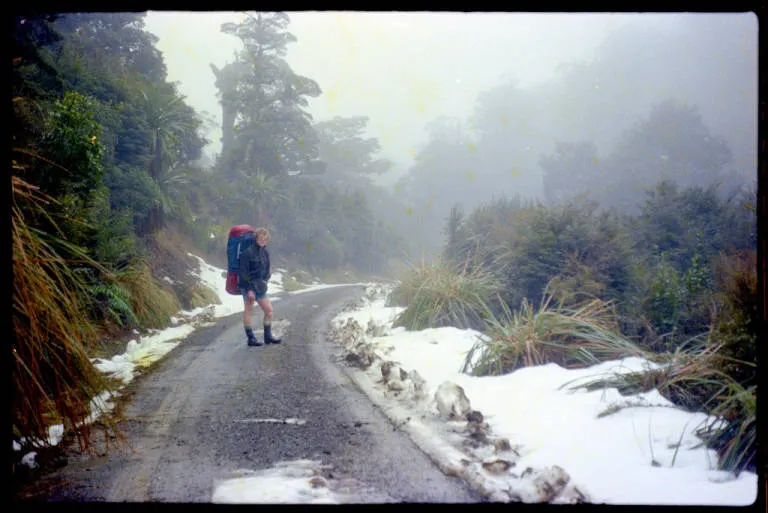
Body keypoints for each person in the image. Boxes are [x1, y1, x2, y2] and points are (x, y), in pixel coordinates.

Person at [238, 227, 282, 347]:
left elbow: (267, 270)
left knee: (269, 310)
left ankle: (268, 337)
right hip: (249, 287)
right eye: (261, 238)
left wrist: (265, 281)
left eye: (265, 239)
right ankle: (251, 339)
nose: (263, 241)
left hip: (260, 287)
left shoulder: (265, 252)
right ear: (256, 238)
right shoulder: (247, 253)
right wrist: (249, 289)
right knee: (249, 311)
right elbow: (243, 274)